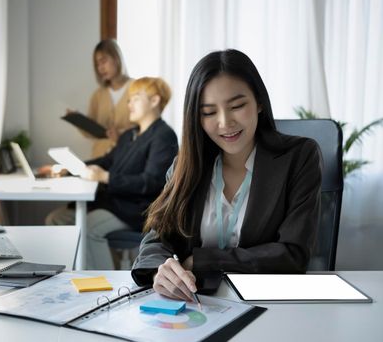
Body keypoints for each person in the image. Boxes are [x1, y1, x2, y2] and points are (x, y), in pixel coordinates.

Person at [131, 49, 322, 302]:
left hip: (271, 304)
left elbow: (292, 254)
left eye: (237, 106)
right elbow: (156, 238)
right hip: (199, 305)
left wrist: (201, 259)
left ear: (259, 102)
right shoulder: (185, 165)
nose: (225, 122)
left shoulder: (300, 156)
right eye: (209, 112)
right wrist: (161, 270)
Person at [46, 77, 178, 270]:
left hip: (136, 209)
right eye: (129, 99)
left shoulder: (164, 136)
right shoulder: (129, 135)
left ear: (155, 100)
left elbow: (151, 182)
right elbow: (106, 162)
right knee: (56, 219)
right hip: (113, 203)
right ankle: (67, 277)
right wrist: (69, 168)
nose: (129, 103)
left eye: (135, 98)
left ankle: (105, 289)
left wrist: (105, 177)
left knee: (88, 228)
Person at [78, 39, 134, 158]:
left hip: (127, 158)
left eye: (103, 61)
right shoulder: (98, 95)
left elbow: (146, 128)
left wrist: (121, 133)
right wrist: (78, 121)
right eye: (97, 64)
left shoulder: (136, 89)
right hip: (99, 158)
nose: (100, 68)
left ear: (116, 58)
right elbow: (91, 133)